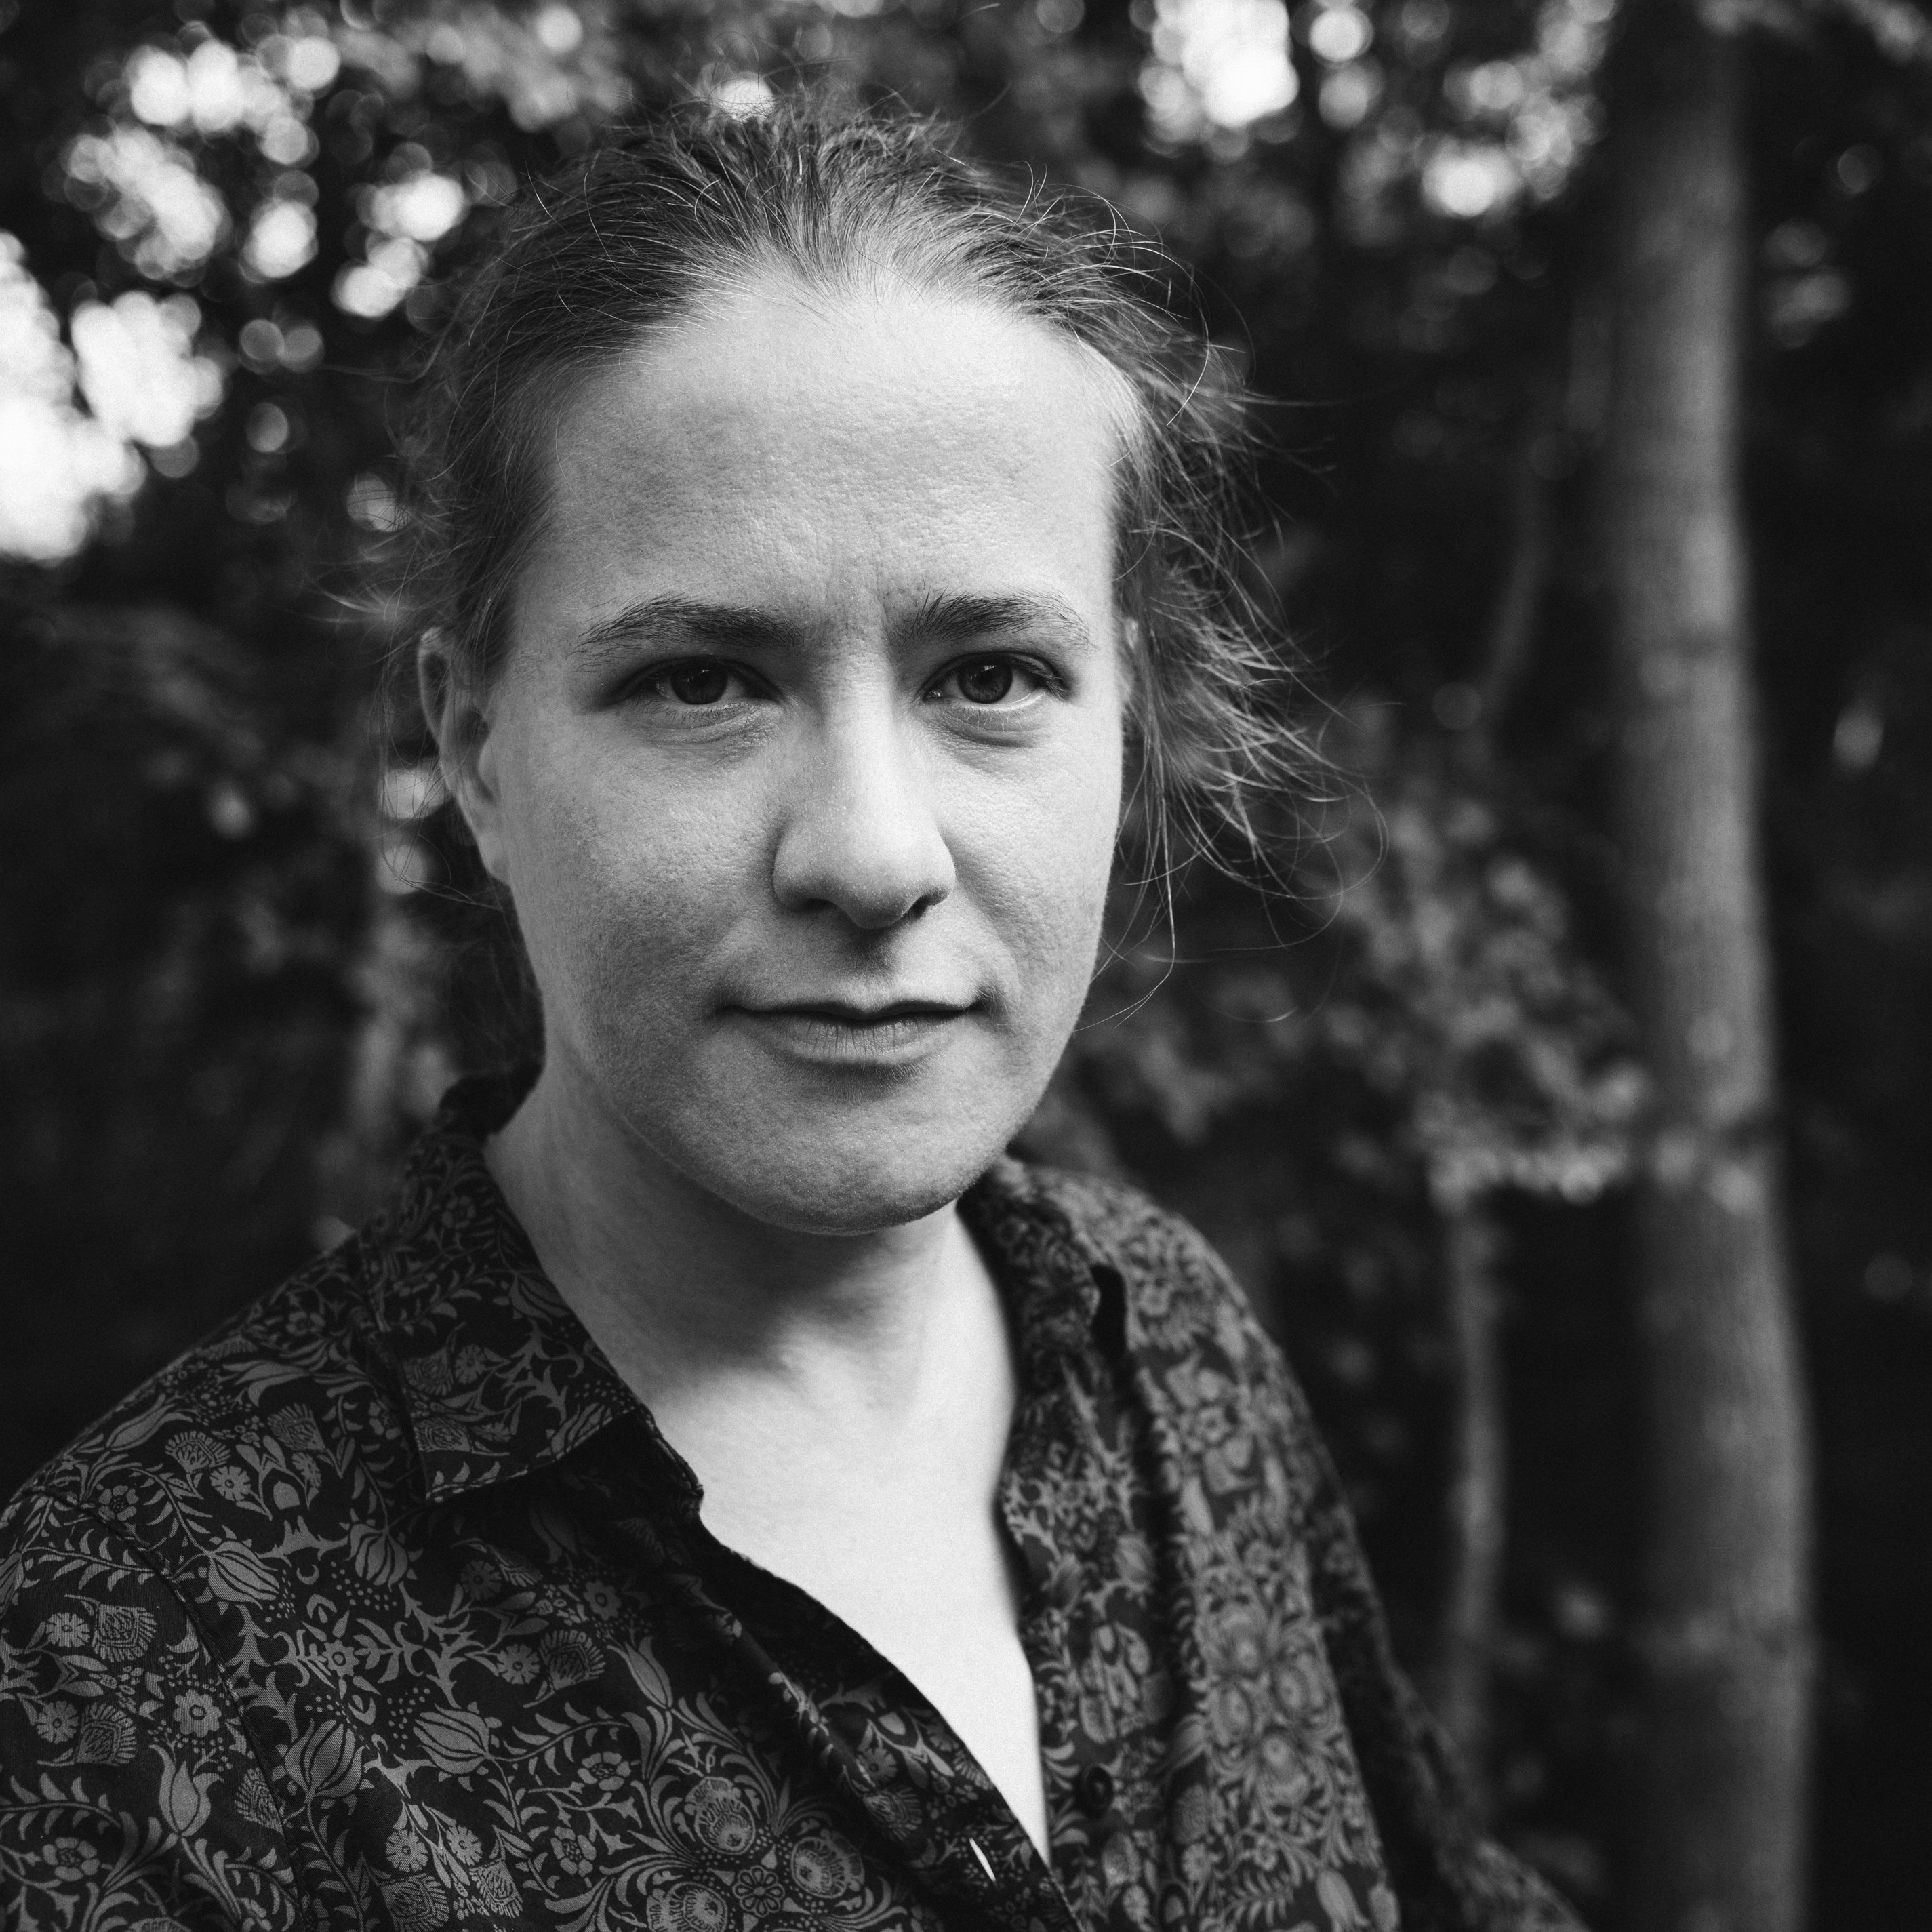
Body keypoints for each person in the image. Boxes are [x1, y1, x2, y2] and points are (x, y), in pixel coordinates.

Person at [0, 103, 1581, 1932]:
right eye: (703, 681)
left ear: (1125, 722)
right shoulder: (122, 1682)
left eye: (991, 674)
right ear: (476, 747)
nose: (873, 853)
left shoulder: (1172, 1348)